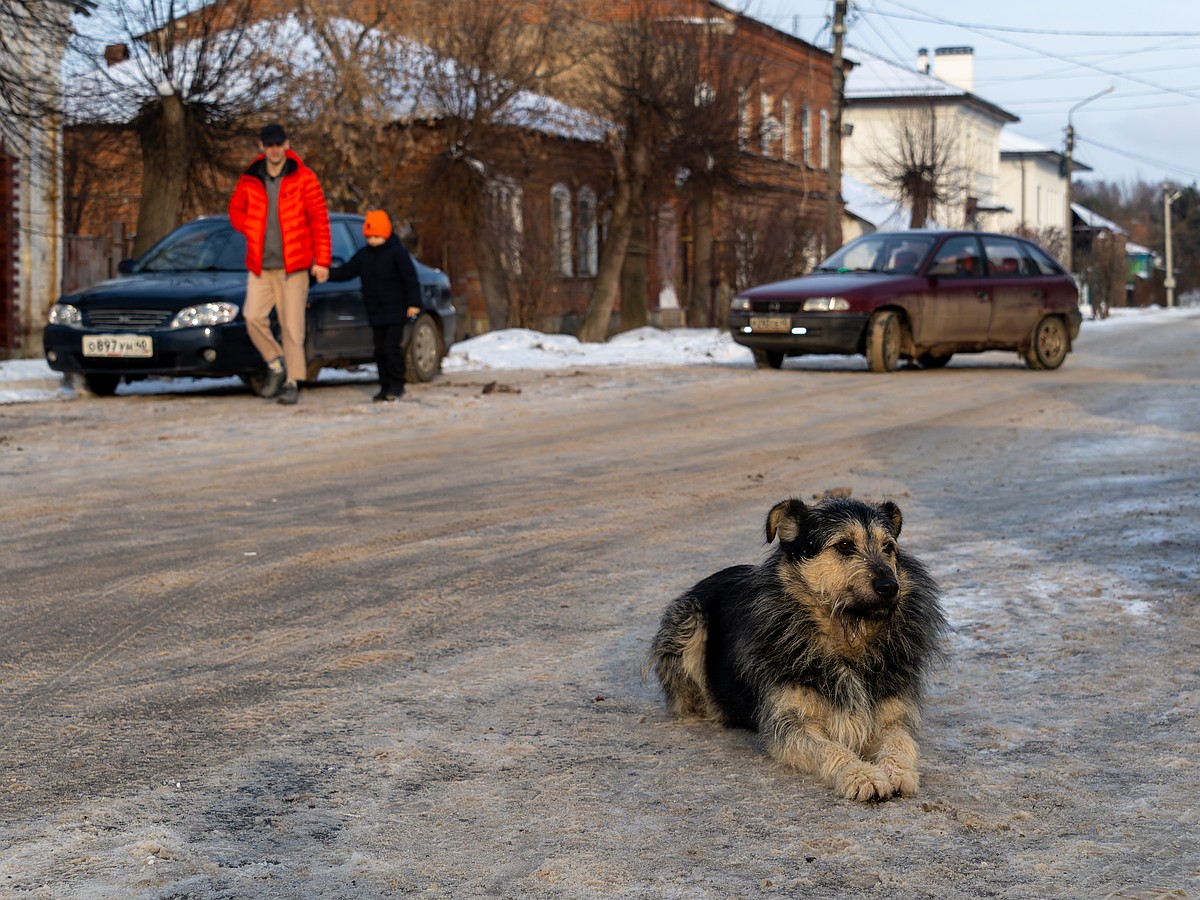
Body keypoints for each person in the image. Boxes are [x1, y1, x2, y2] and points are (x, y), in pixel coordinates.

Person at [229, 123, 331, 405]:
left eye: (279, 144)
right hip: (260, 267)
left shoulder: (304, 178)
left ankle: (292, 382)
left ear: (287, 145)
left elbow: (319, 221)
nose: (274, 149)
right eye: (269, 144)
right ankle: (276, 364)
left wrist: (321, 261)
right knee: (252, 317)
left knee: (291, 326)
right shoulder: (250, 178)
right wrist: (249, 227)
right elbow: (235, 210)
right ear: (261, 147)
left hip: (294, 267)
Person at [328, 210, 421, 402]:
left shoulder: (397, 253)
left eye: (376, 236)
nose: (373, 240)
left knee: (391, 348)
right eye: (369, 237)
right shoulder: (364, 256)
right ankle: (384, 386)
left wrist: (414, 303)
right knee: (379, 351)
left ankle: (397, 385)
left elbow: (410, 279)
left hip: (396, 310)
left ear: (386, 234)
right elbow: (347, 271)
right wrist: (325, 274)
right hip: (375, 311)